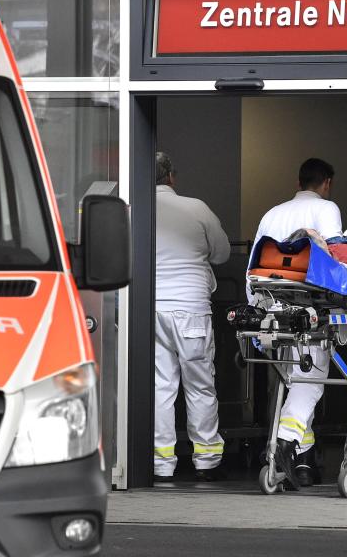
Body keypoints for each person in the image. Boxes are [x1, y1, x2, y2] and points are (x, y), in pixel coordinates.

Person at [250, 158, 341, 489]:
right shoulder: (327, 209)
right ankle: (283, 445)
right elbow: (335, 255)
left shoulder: (272, 214)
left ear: (298, 181)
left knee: (297, 385)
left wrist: (256, 312)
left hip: (271, 308)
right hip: (308, 308)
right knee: (310, 384)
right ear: (326, 182)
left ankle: (304, 462)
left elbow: (254, 263)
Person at [154, 152, 231, 482]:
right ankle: (207, 460)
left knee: (159, 386)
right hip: (192, 310)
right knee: (200, 385)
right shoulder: (197, 208)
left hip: (150, 307)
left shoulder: (134, 209)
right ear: (172, 176)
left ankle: (160, 462)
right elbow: (223, 253)